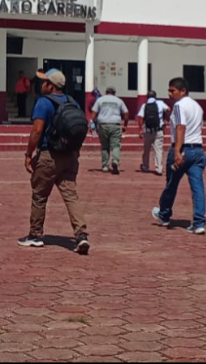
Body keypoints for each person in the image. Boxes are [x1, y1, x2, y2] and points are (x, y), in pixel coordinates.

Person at [20, 69, 90, 255]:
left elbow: (37, 131)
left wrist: (28, 154)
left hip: (49, 155)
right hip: (70, 156)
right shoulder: (72, 102)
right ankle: (81, 235)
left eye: (44, 82)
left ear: (50, 85)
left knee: (40, 196)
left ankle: (35, 235)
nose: (40, 84)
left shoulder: (44, 102)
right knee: (71, 196)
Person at [151, 77, 206, 235]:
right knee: (198, 188)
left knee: (171, 184)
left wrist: (177, 151)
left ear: (183, 91)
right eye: (169, 90)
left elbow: (181, 127)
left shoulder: (179, 106)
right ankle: (199, 222)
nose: (170, 94)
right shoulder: (197, 106)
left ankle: (164, 215)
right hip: (197, 150)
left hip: (183, 149)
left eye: (173, 90)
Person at [91, 87, 129, 174]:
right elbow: (126, 113)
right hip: (115, 125)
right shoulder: (119, 101)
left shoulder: (100, 100)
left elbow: (93, 114)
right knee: (116, 145)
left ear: (106, 92)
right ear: (114, 93)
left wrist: (92, 125)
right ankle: (115, 161)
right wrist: (125, 125)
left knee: (104, 146)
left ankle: (105, 166)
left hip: (103, 125)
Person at [136, 91, 170, 176]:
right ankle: (159, 169)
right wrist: (166, 119)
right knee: (158, 150)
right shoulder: (160, 103)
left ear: (147, 97)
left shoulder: (144, 105)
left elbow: (141, 118)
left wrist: (140, 129)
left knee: (146, 150)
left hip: (148, 131)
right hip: (159, 130)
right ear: (155, 96)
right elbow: (168, 109)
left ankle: (145, 166)